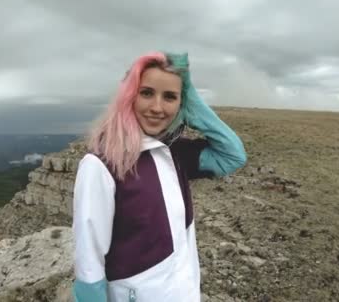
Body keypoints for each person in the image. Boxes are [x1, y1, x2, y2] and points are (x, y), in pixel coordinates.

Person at [72, 51, 247, 301]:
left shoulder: (175, 152)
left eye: (170, 97)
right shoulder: (102, 163)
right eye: (146, 93)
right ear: (129, 95)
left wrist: (193, 105)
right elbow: (89, 261)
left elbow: (233, 156)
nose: (156, 107)